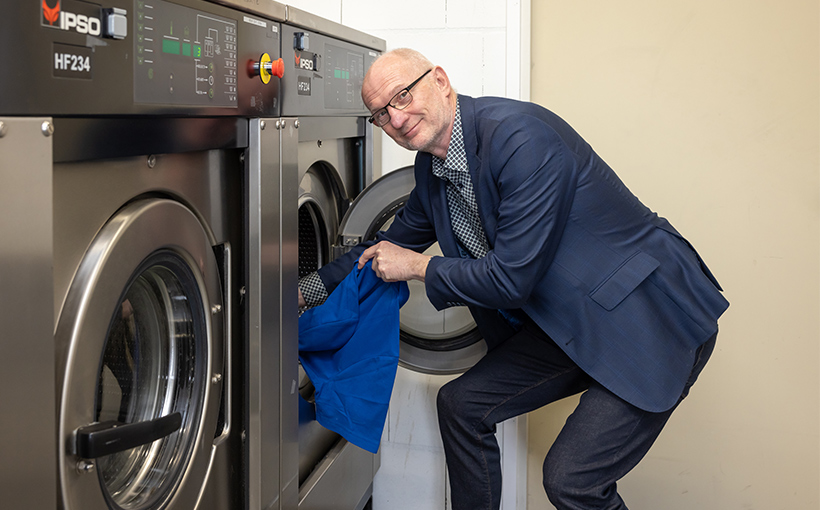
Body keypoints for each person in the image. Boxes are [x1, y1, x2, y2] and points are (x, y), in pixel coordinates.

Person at [298, 48, 729, 510]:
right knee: (462, 406)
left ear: (440, 80)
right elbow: (386, 247)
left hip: (644, 317)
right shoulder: (432, 170)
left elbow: (511, 280)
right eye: (381, 114)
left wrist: (418, 267)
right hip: (568, 319)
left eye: (402, 96)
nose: (397, 118)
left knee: (572, 481)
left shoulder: (522, 139)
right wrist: (301, 292)